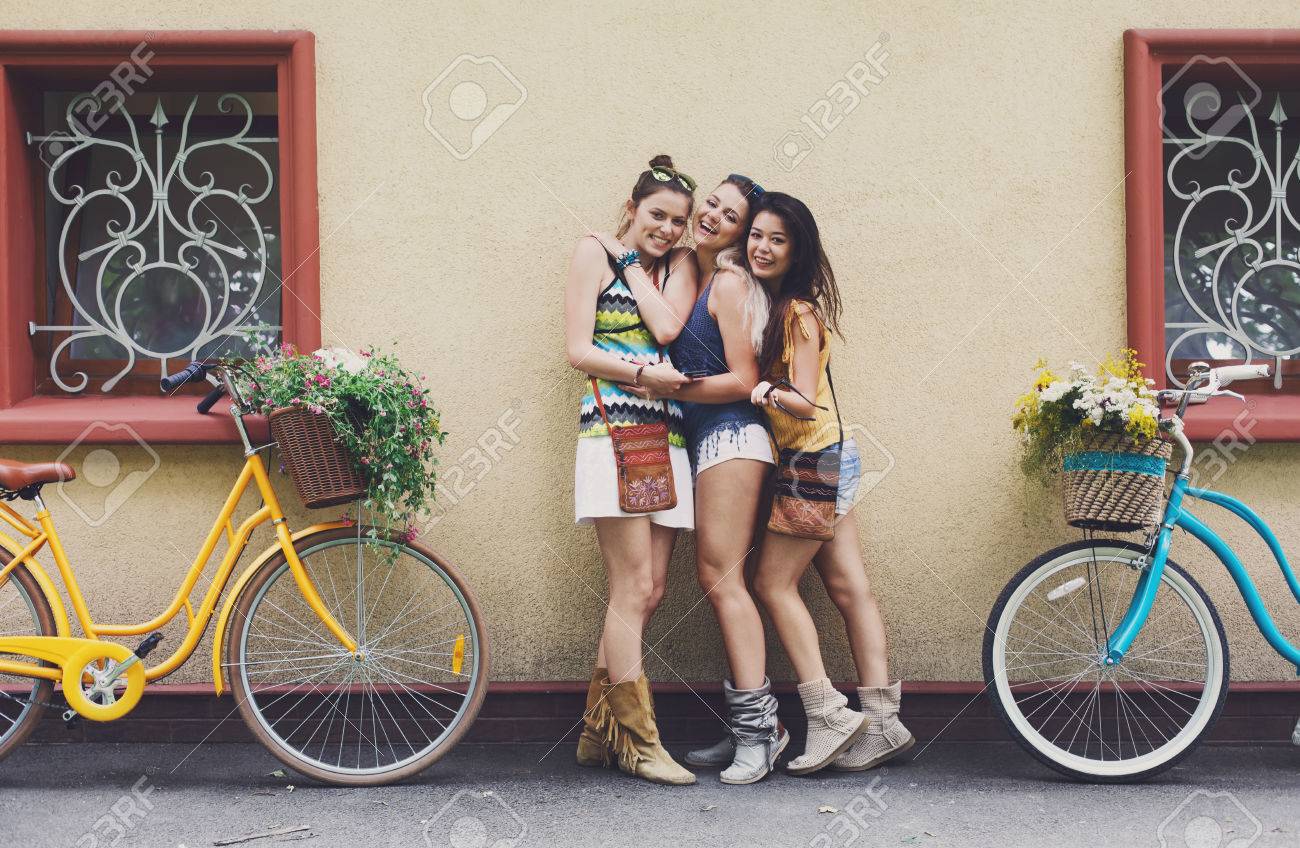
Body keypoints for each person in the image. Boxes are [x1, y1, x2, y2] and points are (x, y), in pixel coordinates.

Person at [745, 191, 914, 775]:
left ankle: (827, 714)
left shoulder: (796, 313)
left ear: (797, 251)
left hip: (811, 460)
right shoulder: (786, 308)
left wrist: (759, 390)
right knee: (849, 589)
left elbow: (803, 401)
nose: (762, 247)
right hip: (833, 458)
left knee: (772, 583)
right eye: (757, 235)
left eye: (777, 239)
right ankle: (884, 721)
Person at [642, 174, 788, 784]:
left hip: (734, 433)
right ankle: (746, 730)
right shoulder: (689, 275)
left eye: (730, 216)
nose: (713, 217)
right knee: (718, 579)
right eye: (712, 204)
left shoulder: (728, 282)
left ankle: (763, 733)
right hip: (705, 440)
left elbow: (743, 377)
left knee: (722, 578)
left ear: (736, 233)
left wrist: (669, 385)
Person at [564, 155, 700, 785]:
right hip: (615, 436)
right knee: (631, 585)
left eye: (678, 221)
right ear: (631, 209)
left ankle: (598, 731)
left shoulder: (673, 268)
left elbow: (669, 327)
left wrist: (635, 268)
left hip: (666, 440)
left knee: (652, 590)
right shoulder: (591, 253)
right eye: (656, 215)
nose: (667, 229)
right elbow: (579, 349)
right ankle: (640, 742)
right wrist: (644, 374)